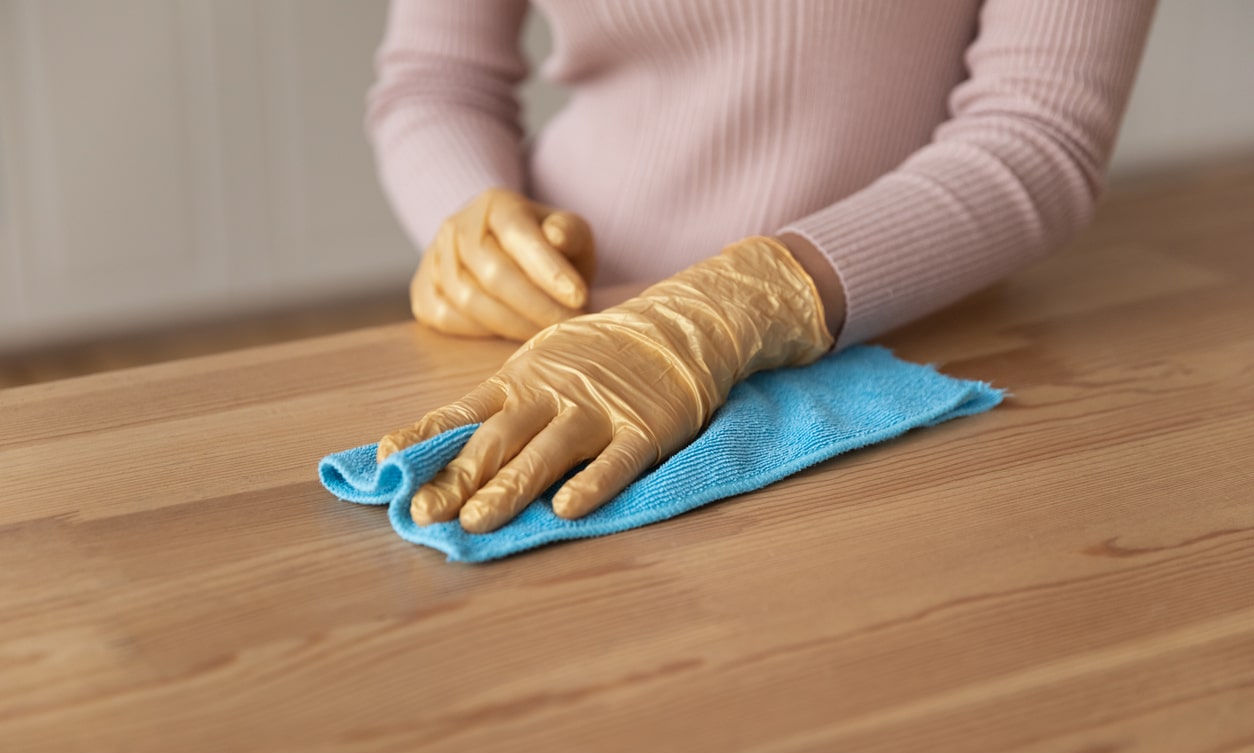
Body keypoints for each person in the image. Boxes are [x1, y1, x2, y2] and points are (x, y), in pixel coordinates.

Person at [367, 0, 1157, 533]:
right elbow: (437, 81)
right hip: (542, 332)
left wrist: (731, 305)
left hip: (904, 333)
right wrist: (472, 222)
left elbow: (1039, 133)